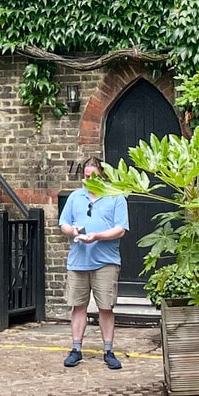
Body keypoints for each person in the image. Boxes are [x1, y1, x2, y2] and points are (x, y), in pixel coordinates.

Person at [56, 156, 129, 369]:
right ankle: (76, 349)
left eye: (93, 177)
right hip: (78, 261)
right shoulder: (75, 197)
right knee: (78, 306)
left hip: (106, 261)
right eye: (86, 177)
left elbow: (121, 229)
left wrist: (97, 236)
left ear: (103, 176)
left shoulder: (116, 197)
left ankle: (108, 350)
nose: (88, 181)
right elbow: (64, 224)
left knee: (105, 307)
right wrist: (72, 231)